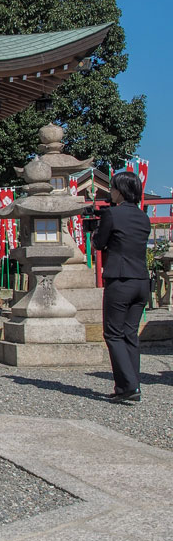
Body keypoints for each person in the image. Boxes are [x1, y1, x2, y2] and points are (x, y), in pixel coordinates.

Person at [91, 171, 151, 402]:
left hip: (120, 279)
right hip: (141, 281)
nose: (111, 192)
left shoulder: (113, 215)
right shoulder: (143, 217)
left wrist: (96, 229)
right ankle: (130, 384)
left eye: (113, 188)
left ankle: (128, 385)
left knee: (113, 334)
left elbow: (99, 243)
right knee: (129, 334)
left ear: (120, 190)